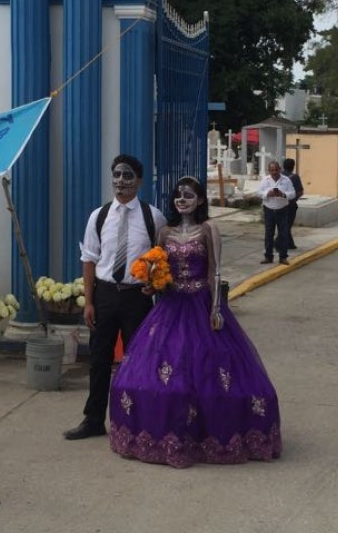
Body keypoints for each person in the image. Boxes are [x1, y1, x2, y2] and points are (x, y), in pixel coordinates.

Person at [108, 176, 282, 468]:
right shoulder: (165, 232)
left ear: (200, 200)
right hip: (171, 306)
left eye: (188, 195)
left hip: (201, 303)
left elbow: (215, 271)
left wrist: (216, 308)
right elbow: (157, 265)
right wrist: (153, 283)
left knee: (212, 371)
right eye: (178, 195)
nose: (182, 199)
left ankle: (212, 437)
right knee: (155, 372)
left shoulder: (208, 229)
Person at [64, 154, 167, 441]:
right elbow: (89, 259)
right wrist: (89, 301)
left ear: (139, 181)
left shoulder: (153, 217)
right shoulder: (98, 216)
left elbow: (161, 259)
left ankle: (136, 420)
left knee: (137, 361)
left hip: (137, 298)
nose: (121, 181)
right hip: (105, 294)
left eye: (127, 176)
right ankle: (93, 419)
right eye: (117, 175)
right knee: (98, 360)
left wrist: (154, 286)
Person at [256, 160, 295, 265]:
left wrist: (283, 194)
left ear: (280, 169)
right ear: (269, 170)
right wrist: (267, 193)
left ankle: (283, 257)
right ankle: (268, 256)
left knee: (283, 234)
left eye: (276, 170)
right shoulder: (265, 180)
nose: (274, 172)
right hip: (269, 210)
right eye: (272, 170)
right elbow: (258, 192)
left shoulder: (286, 180)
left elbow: (293, 193)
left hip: (282, 210)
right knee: (269, 234)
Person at [281, 158, 304, 250]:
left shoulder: (279, 176)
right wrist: (294, 199)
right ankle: (278, 242)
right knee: (287, 225)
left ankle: (290, 244)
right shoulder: (295, 177)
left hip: (279, 204)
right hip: (290, 205)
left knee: (284, 225)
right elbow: (300, 191)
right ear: (293, 166)